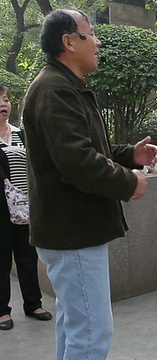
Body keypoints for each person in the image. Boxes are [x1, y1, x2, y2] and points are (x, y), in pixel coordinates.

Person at [22, 9, 157, 359]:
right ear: (69, 42)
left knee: (75, 326)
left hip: (71, 232)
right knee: (92, 332)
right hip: (73, 233)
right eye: (91, 34)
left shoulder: (63, 86)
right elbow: (78, 163)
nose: (98, 42)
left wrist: (131, 156)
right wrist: (130, 183)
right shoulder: (55, 90)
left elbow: (85, 149)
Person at [0, 85, 52, 331]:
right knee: (1, 259)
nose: (3, 104)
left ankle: (33, 304)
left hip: (23, 206)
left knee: (27, 255)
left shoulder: (21, 134)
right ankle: (1, 310)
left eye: (6, 99)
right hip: (0, 208)